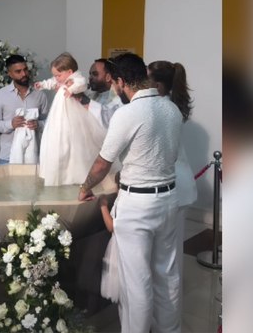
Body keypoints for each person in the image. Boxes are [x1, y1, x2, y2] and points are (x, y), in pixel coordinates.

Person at [78, 53, 183, 333]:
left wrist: (85, 187)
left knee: (137, 283)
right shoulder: (171, 109)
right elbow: (166, 155)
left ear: (121, 81)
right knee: (167, 275)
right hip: (168, 199)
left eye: (114, 83)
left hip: (138, 204)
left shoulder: (127, 113)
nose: (114, 88)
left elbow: (102, 164)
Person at [148, 60, 198, 317]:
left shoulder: (161, 109)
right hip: (177, 184)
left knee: (169, 260)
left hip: (174, 186)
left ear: (157, 84)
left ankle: (168, 317)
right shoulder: (170, 106)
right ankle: (164, 313)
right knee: (168, 258)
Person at [35, 52, 107, 186]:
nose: (56, 78)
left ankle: (74, 173)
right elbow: (51, 82)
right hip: (59, 113)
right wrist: (42, 84)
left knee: (73, 138)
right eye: (55, 75)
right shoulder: (60, 80)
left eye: (58, 75)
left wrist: (72, 89)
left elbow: (82, 84)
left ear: (69, 72)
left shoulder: (76, 78)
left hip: (72, 112)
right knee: (56, 136)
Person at [0, 55, 49, 165]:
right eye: (18, 71)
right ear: (9, 73)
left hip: (33, 156)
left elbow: (49, 122)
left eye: (25, 69)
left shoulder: (40, 95)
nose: (24, 74)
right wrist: (11, 124)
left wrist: (39, 124)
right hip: (7, 157)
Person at [99, 172, 120, 304]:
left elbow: (111, 226)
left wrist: (103, 206)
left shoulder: (121, 202)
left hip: (118, 248)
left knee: (118, 278)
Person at [84, 58, 123, 128]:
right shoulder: (89, 96)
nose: (90, 78)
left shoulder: (119, 98)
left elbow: (107, 117)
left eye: (95, 74)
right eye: (90, 74)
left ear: (108, 77)